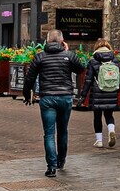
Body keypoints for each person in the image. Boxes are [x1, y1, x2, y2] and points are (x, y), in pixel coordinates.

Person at [21, 30, 84, 176]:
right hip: (65, 97)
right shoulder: (68, 56)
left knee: (49, 133)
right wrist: (68, 52)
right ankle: (61, 160)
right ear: (62, 41)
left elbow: (29, 78)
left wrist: (27, 95)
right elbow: (80, 68)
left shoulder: (40, 57)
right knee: (63, 130)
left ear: (47, 41)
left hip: (47, 98)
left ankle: (51, 166)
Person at [82, 39, 120, 149]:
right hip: (112, 91)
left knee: (97, 116)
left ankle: (99, 140)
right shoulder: (115, 60)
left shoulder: (93, 61)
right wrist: (118, 90)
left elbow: (88, 79)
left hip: (97, 92)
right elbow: (119, 76)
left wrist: (83, 95)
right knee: (109, 115)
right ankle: (111, 130)